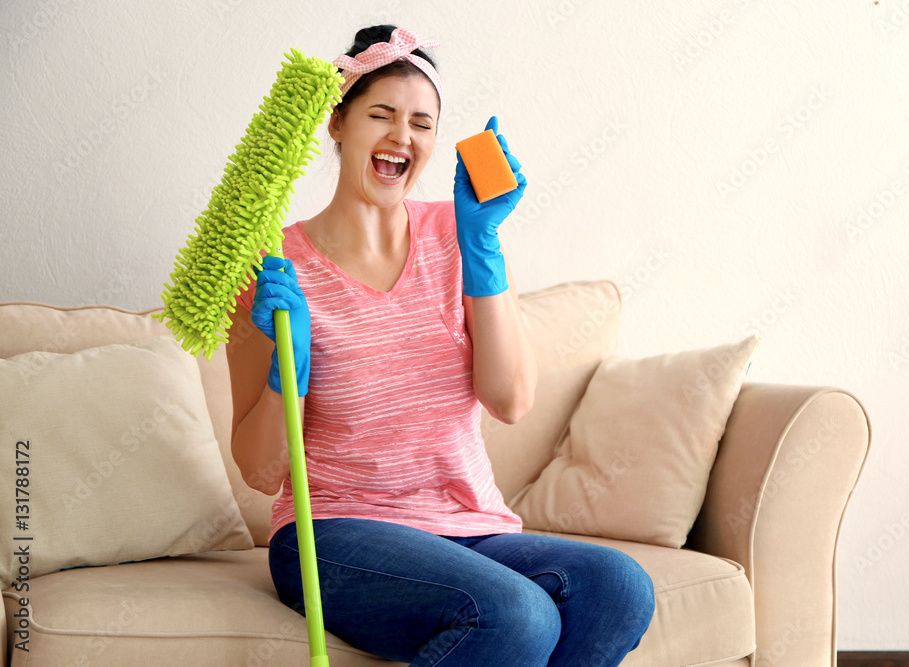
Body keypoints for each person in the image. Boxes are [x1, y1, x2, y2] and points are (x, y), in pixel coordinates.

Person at [227, 25, 655, 666]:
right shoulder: (273, 267)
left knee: (618, 588)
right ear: (337, 123)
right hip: (332, 534)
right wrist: (288, 373)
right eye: (381, 115)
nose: (402, 136)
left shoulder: (458, 235)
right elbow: (261, 474)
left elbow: (510, 400)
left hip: (468, 528)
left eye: (421, 123)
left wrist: (483, 246)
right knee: (518, 614)